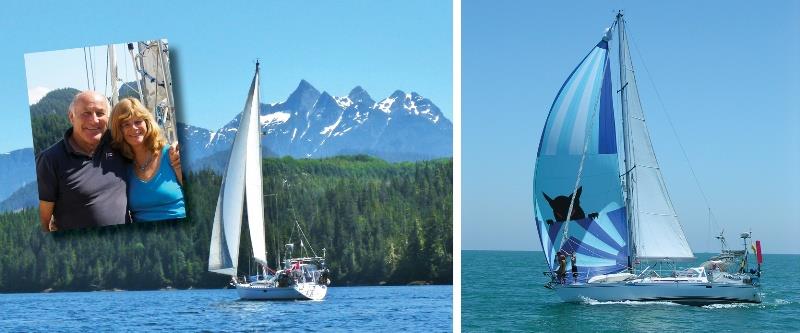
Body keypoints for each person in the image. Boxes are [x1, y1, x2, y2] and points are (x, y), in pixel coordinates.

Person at [36, 91, 129, 231]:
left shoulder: (120, 144)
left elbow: (151, 146)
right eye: (86, 113)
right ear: (71, 117)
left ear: (108, 118)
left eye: (100, 113)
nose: (94, 120)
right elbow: (42, 221)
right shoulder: (50, 159)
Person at [110, 97, 185, 222]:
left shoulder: (172, 155)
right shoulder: (122, 166)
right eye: (126, 124)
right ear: (119, 130)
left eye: (138, 122)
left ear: (147, 123)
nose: (134, 128)